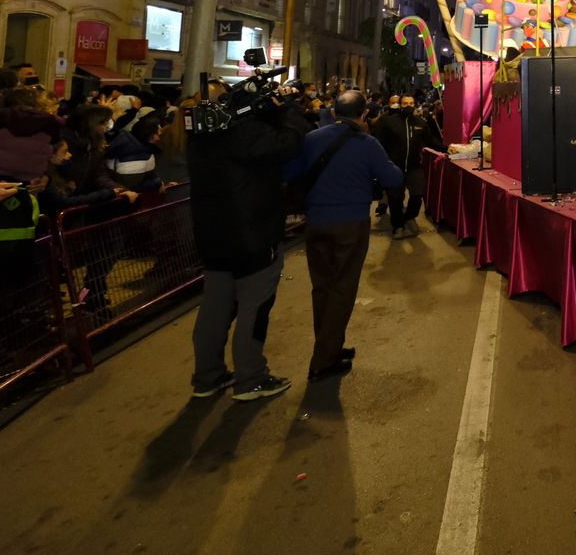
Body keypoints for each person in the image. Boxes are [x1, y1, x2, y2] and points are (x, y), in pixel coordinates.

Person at [186, 80, 309, 400]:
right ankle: (251, 377)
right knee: (255, 307)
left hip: (212, 236)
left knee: (214, 307)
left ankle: (207, 376)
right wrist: (291, 109)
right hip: (252, 234)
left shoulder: (200, 134)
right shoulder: (243, 132)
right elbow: (290, 143)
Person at [284, 90, 403, 381]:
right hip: (350, 224)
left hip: (315, 224)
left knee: (323, 288)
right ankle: (323, 360)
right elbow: (393, 178)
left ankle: (331, 347)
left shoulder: (312, 139)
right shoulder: (368, 144)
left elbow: (289, 171)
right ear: (365, 115)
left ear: (335, 112)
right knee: (342, 290)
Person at [371, 93, 442, 239]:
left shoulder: (420, 123)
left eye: (411, 103)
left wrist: (448, 148)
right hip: (393, 168)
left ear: (415, 105)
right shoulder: (387, 121)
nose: (408, 106)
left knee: (417, 193)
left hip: (414, 166)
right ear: (399, 105)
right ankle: (397, 226)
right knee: (395, 199)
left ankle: (409, 216)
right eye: (405, 103)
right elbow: (376, 143)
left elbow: (431, 141)